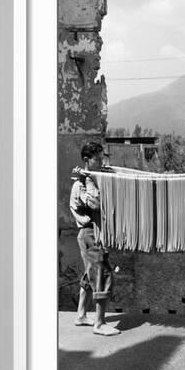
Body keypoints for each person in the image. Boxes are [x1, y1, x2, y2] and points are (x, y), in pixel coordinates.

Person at [69, 141, 120, 336]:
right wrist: (88, 179)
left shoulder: (92, 177)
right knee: (102, 273)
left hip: (93, 232)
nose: (101, 162)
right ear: (86, 160)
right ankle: (100, 323)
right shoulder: (81, 184)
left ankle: (81, 315)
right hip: (89, 232)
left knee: (91, 273)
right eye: (97, 159)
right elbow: (96, 203)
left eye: (102, 158)